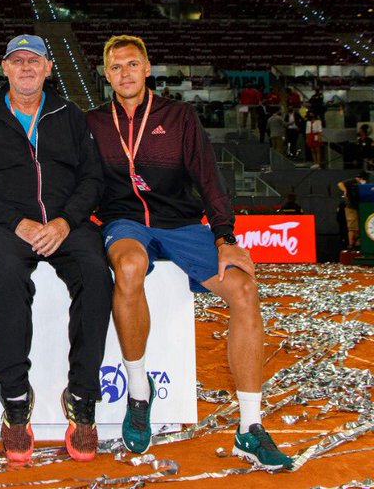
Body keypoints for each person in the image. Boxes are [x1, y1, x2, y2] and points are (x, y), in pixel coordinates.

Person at [86, 34, 293, 470]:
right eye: (116, 67)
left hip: (181, 222)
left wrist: (225, 237)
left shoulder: (178, 116)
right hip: (125, 220)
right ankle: (139, 392)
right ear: (107, 75)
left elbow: (209, 177)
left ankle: (250, 427)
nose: (125, 73)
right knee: (128, 266)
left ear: (147, 68)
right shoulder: (93, 122)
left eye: (132, 64)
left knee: (244, 289)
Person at [0, 35, 112, 463]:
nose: (26, 67)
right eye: (17, 60)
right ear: (4, 68)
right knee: (6, 276)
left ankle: (82, 395)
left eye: (35, 60)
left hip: (68, 223)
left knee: (97, 275)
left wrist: (65, 221)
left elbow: (93, 180)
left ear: (48, 68)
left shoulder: (71, 116)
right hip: (10, 225)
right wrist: (17, 223)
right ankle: (15, 398)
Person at [337, 172, 367, 250]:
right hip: (351, 206)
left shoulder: (362, 186)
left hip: (359, 206)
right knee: (352, 227)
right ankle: (351, 244)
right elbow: (340, 184)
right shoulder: (352, 181)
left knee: (358, 227)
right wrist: (345, 191)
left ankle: (358, 243)